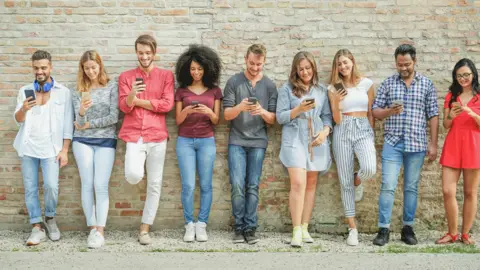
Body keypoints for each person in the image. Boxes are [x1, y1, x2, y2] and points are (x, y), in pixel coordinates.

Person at [372, 44, 439, 246]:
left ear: (415, 61)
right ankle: (383, 229)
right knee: (388, 186)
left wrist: (433, 143)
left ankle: (407, 228)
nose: (403, 68)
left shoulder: (426, 84)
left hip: (417, 144)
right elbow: (375, 111)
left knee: (411, 187)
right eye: (400, 64)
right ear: (396, 63)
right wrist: (389, 112)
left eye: (407, 64)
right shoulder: (388, 84)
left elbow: (433, 115)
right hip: (393, 142)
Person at [118, 34, 175, 245]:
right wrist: (133, 94)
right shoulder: (126, 77)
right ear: (136, 53)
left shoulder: (166, 76)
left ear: (154, 53)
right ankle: (143, 225)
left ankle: (145, 228)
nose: (144, 56)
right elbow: (124, 107)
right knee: (133, 175)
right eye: (141, 52)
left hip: (157, 135)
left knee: (155, 183)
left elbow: (166, 105)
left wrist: (136, 101)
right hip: (134, 134)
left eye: (148, 52)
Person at [13, 50, 73, 246]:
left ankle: (50, 218)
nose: (40, 71)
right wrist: (23, 109)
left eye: (43, 67)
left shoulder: (63, 92)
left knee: (51, 186)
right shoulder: (24, 91)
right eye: (36, 68)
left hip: (52, 149)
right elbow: (18, 120)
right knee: (30, 189)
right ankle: (36, 227)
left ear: (50, 68)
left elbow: (67, 124)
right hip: (28, 147)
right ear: (33, 68)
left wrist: (65, 150)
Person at [276, 51, 332, 247]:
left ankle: (306, 227)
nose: (305, 72)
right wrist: (298, 110)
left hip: (316, 137)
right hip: (294, 136)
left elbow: (327, 116)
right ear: (296, 70)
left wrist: (325, 132)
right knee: (298, 183)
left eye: (308, 68)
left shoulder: (321, 90)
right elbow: (280, 117)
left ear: (313, 68)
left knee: (311, 183)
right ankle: (296, 230)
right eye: (301, 69)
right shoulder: (286, 89)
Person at [223, 44, 277, 244]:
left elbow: (273, 119)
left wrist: (262, 111)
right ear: (245, 59)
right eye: (252, 63)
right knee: (237, 185)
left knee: (253, 185)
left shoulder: (270, 86)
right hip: (236, 141)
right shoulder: (234, 82)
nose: (255, 68)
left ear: (264, 62)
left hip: (258, 142)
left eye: (259, 65)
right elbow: (226, 115)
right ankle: (238, 227)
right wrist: (240, 107)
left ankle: (250, 227)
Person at [327, 49, 376, 246]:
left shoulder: (367, 84)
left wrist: (370, 132)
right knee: (344, 181)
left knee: (370, 168)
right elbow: (336, 120)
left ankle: (359, 180)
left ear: (352, 62)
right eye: (339, 64)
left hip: (363, 128)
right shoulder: (333, 88)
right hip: (343, 130)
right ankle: (352, 228)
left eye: (345, 62)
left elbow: (371, 111)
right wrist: (338, 101)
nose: (343, 67)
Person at [174, 44, 222, 242]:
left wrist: (208, 112)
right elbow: (177, 120)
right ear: (187, 69)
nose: (196, 72)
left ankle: (202, 224)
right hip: (185, 140)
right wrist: (187, 111)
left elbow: (216, 120)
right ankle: (189, 224)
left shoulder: (215, 91)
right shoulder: (181, 92)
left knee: (206, 185)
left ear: (207, 69)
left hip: (206, 141)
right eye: (193, 68)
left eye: (200, 69)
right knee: (187, 185)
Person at [71, 50, 119, 248]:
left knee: (100, 185)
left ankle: (100, 230)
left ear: (100, 66)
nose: (90, 71)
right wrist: (82, 111)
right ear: (82, 69)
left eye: (93, 67)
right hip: (82, 141)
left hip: (106, 141)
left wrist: (89, 124)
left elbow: (114, 117)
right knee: (87, 183)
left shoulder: (111, 86)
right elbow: (78, 123)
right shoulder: (78, 90)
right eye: (86, 68)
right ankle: (92, 228)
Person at [436, 58, 480, 245]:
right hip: (453, 144)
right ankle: (452, 233)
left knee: (470, 192)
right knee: (447, 191)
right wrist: (451, 117)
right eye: (459, 75)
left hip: (473, 145)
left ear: (473, 75)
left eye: (466, 75)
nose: (463, 78)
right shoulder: (451, 96)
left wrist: (473, 114)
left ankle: (465, 234)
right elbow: (445, 125)